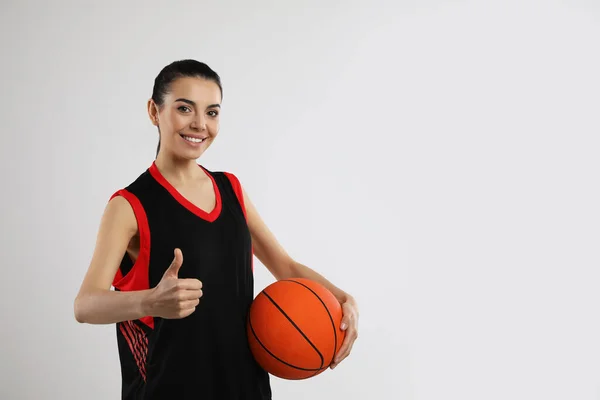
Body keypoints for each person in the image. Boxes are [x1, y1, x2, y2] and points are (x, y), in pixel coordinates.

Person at [73, 59, 359, 400]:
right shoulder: (129, 205)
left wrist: (343, 300)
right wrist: (150, 301)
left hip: (244, 387)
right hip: (168, 389)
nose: (199, 124)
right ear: (154, 111)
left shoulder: (231, 189)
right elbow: (86, 305)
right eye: (184, 108)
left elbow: (286, 267)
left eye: (212, 112)